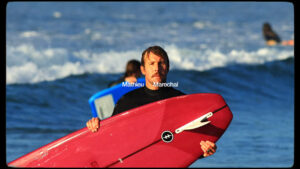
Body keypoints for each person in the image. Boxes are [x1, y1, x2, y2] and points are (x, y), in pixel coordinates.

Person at [87, 46, 217, 158]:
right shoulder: (127, 101)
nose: (157, 68)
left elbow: (189, 141)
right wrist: (96, 126)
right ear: (143, 70)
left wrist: (203, 151)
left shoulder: (181, 102)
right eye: (152, 63)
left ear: (168, 68)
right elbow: (111, 138)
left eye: (161, 63)